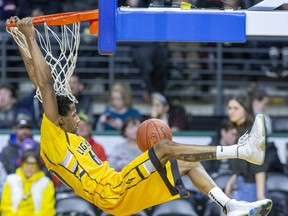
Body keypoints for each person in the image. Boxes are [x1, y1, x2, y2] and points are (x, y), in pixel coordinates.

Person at [9, 17, 273, 216]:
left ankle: (229, 206)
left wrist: (19, 37)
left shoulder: (67, 135)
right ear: (59, 120)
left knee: (187, 162)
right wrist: (33, 37)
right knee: (164, 147)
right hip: (112, 191)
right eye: (74, 115)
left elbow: (38, 81)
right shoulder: (53, 137)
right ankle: (242, 150)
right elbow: (44, 85)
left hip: (118, 191)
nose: (78, 119)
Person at [224, 94, 268, 202]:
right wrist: (231, 183)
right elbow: (240, 165)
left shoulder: (253, 132)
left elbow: (259, 166)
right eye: (229, 108)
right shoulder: (241, 132)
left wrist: (260, 196)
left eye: (236, 108)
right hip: (241, 185)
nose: (231, 111)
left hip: (251, 187)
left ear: (246, 109)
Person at [0, 150, 55, 216]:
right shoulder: (10, 180)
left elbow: (47, 210)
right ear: (21, 164)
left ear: (38, 166)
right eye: (26, 163)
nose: (30, 167)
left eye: (33, 164)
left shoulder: (46, 183)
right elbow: (5, 207)